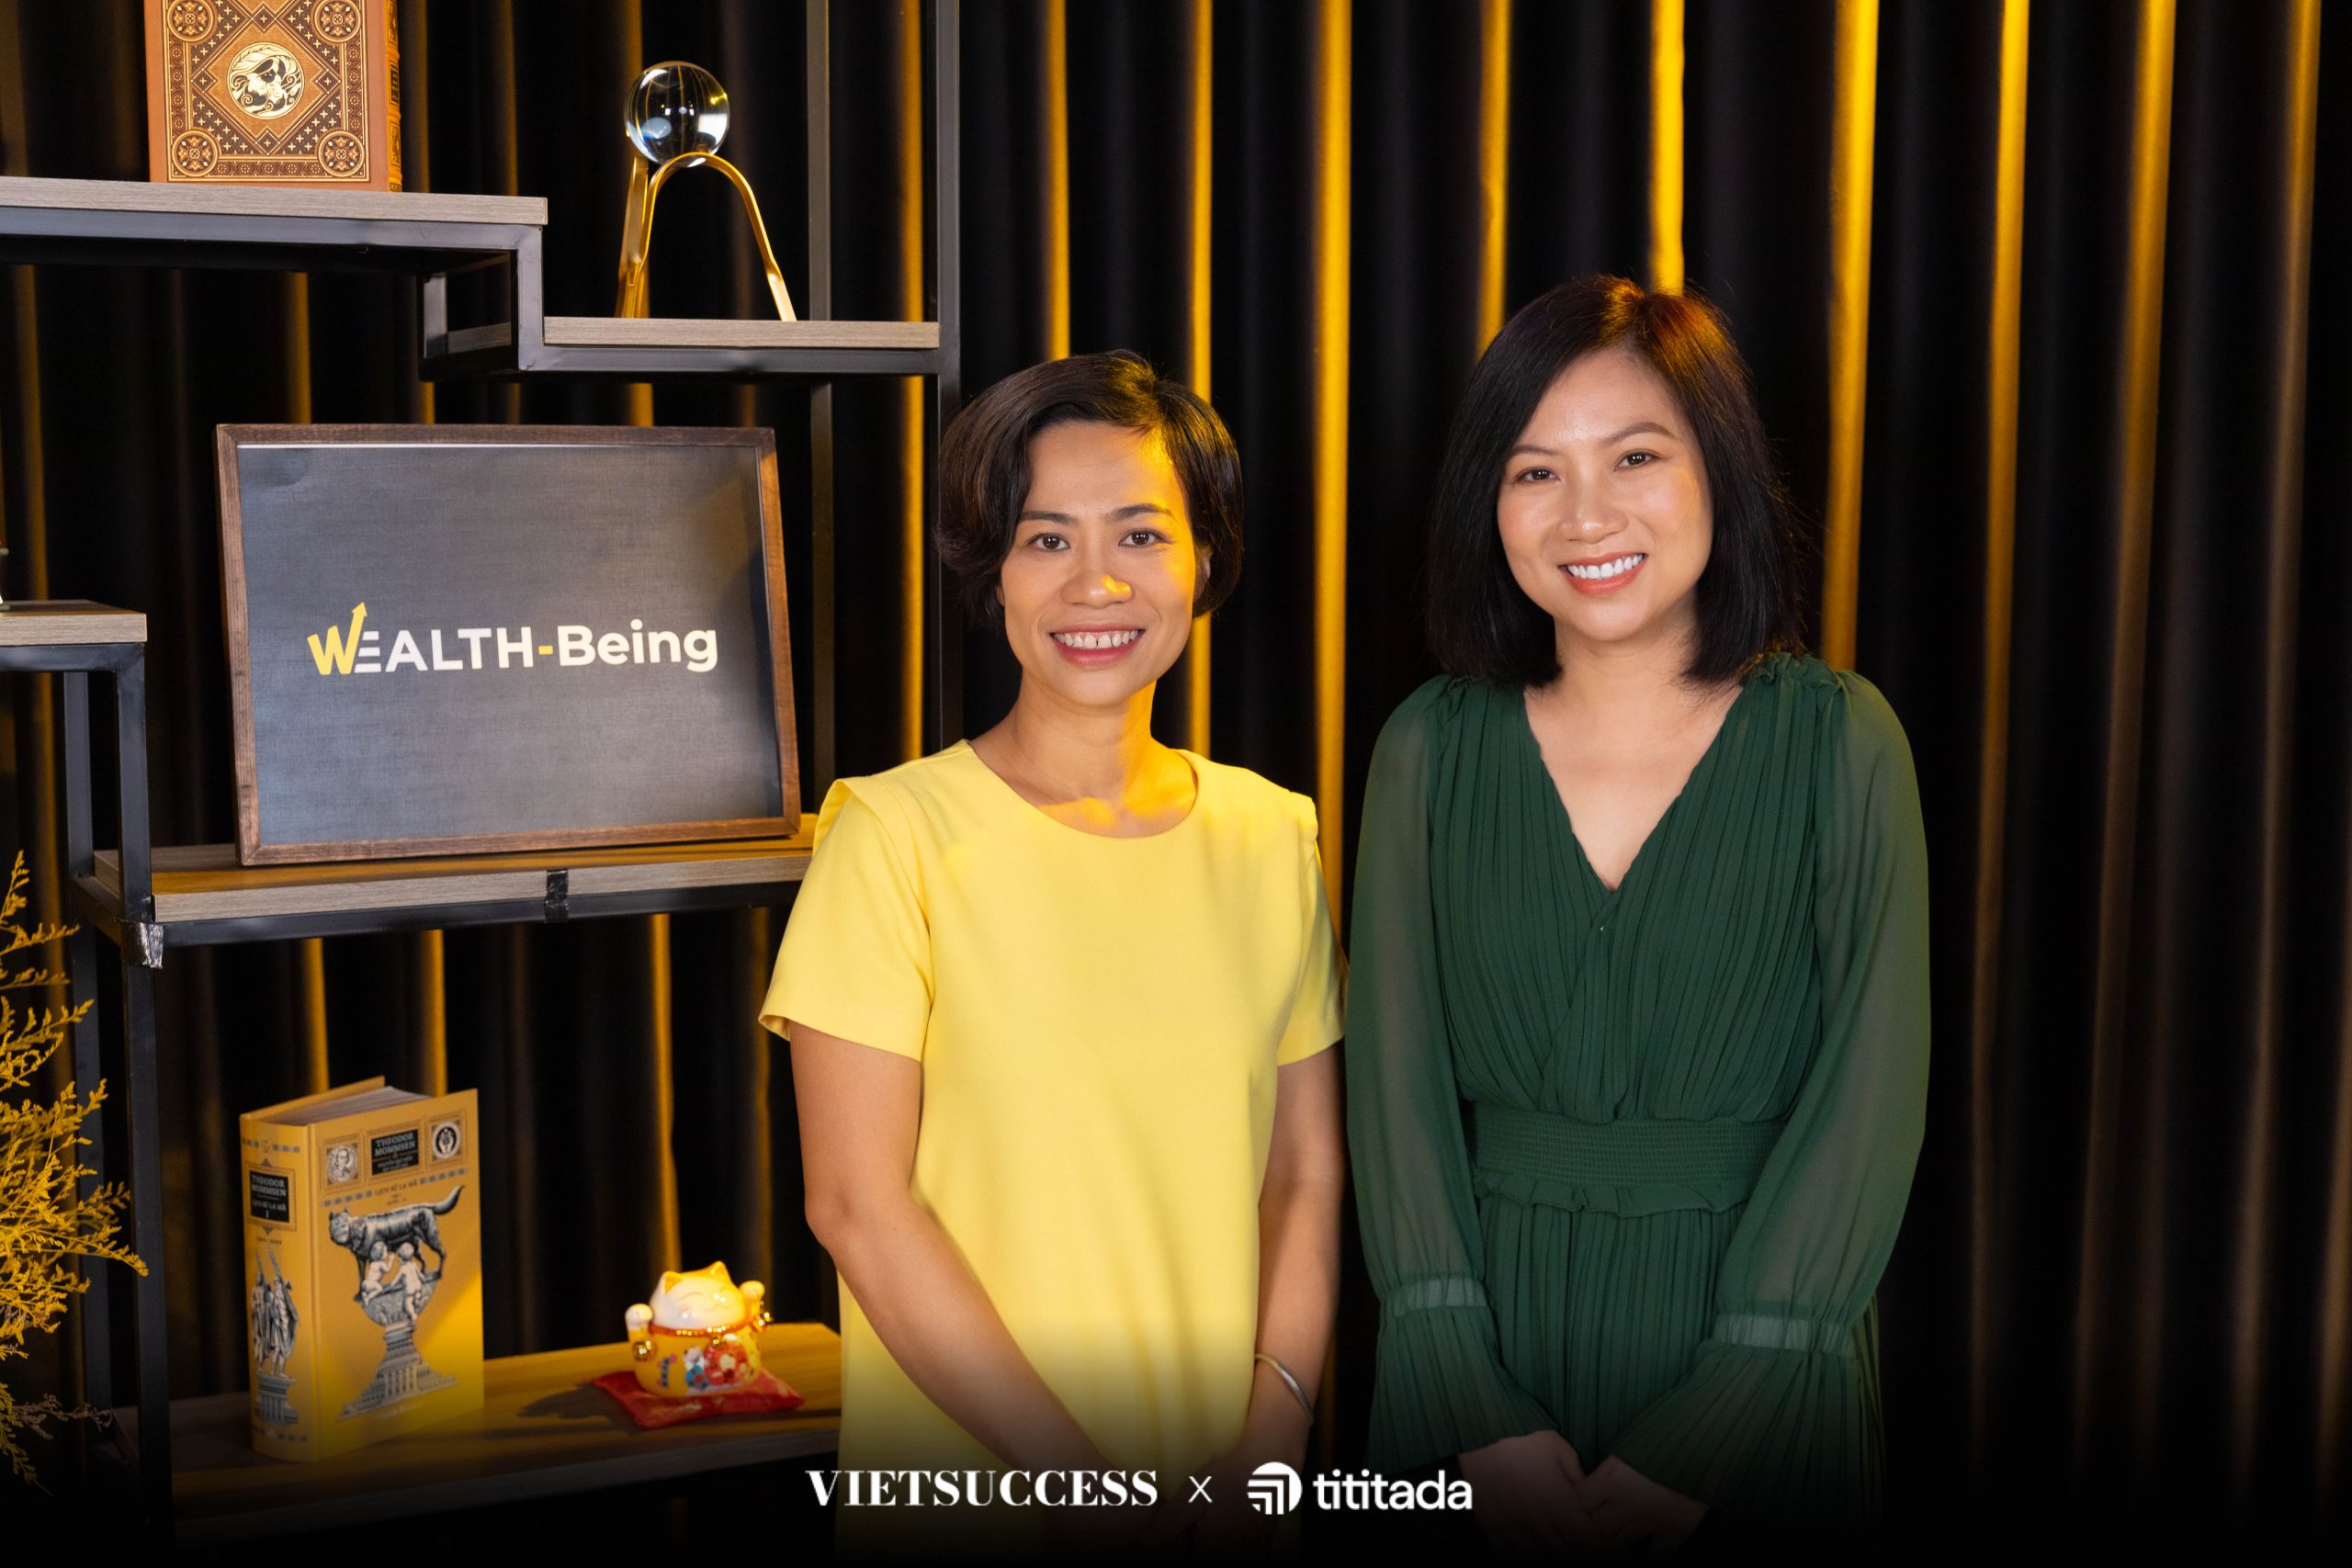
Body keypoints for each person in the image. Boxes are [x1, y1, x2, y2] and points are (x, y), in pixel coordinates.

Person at [1346, 275, 1929, 1557]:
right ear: (1488, 504)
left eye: (1636, 457)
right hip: (1482, 1382)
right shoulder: (1429, 750)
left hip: (1767, 1385)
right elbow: (1394, 1099)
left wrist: (1711, 1432)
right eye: (1534, 472)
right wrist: (1472, 1407)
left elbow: (1870, 1102)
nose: (1586, 514)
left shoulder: (1841, 741)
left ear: (1720, 469)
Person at [763, 351, 1346, 1556]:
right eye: (1046, 540)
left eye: (1141, 535)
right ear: (994, 573)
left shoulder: (1271, 835)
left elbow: (1303, 1175)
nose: (1096, 583)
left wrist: (1271, 1437)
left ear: (1203, 562)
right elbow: (858, 1207)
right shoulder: (891, 834)